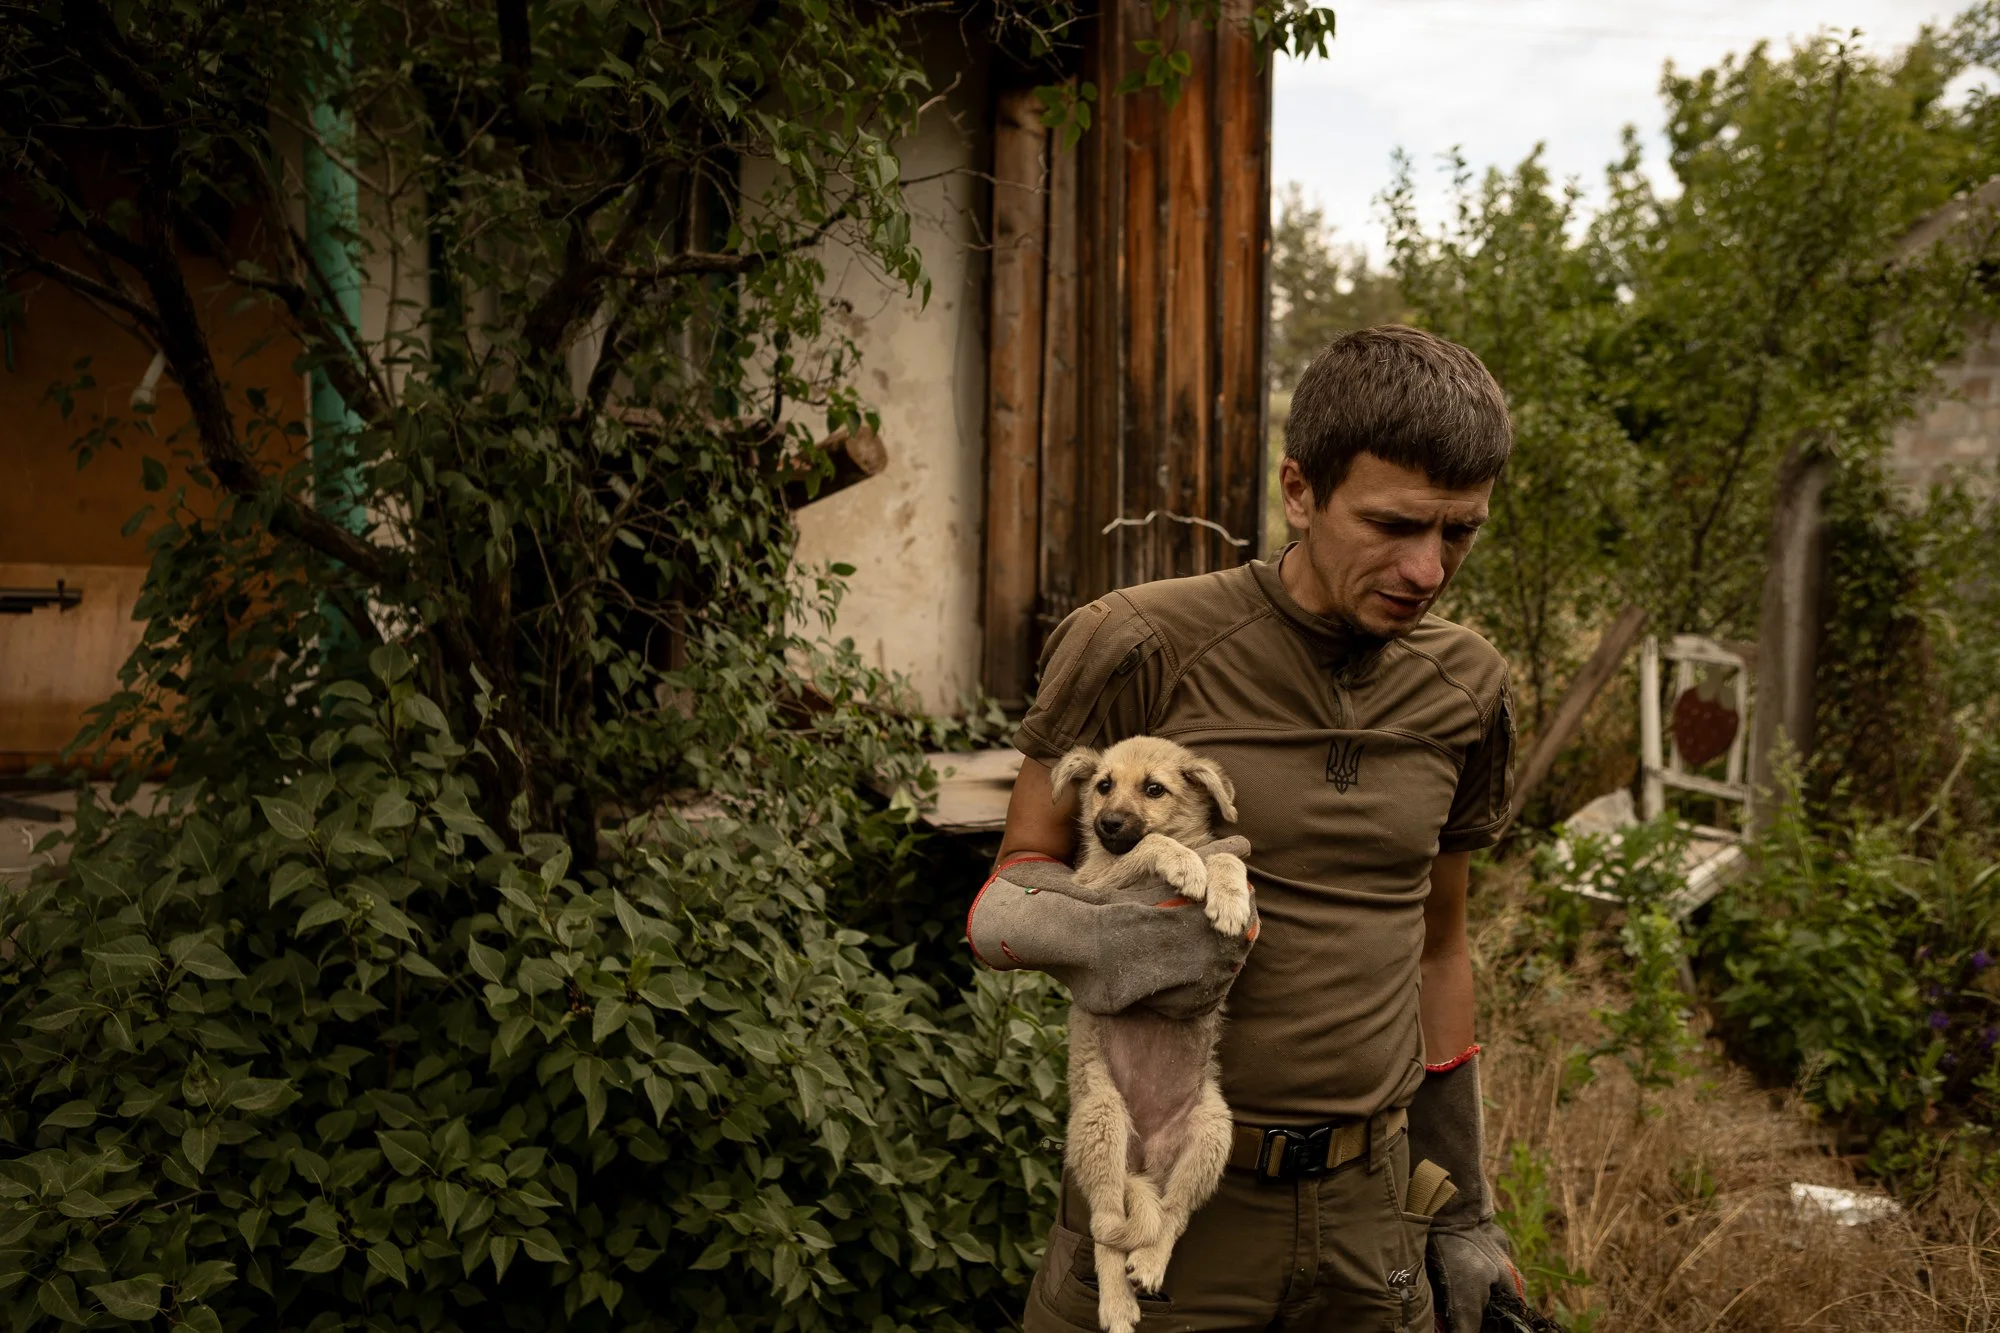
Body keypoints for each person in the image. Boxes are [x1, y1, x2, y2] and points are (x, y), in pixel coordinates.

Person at [966, 326, 1524, 1332]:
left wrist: (1462, 1211)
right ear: (1298, 490)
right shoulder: (1137, 641)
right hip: (1169, 1195)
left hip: (1371, 1220)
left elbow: (1439, 947)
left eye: (1459, 532)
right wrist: (1114, 939)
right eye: (1393, 524)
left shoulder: (1466, 687)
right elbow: (1013, 882)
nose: (1427, 568)